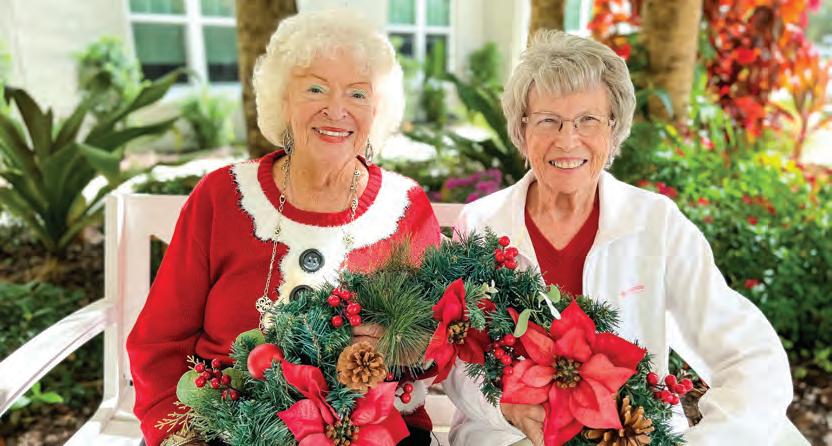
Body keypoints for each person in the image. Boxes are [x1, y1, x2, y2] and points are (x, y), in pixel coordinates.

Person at [443, 30, 796, 446]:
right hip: (510, 439)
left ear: (614, 128)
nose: (567, 139)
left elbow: (751, 357)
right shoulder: (482, 224)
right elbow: (458, 357)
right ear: (522, 128)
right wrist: (505, 407)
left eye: (588, 120)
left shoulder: (657, 223)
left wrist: (706, 441)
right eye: (548, 120)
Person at [126, 10, 440, 446]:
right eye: (315, 88)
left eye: (357, 93)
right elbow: (159, 341)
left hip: (366, 428)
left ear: (377, 110)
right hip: (222, 427)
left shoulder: (404, 207)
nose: (336, 110)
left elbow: (437, 340)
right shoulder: (222, 196)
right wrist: (179, 435)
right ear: (282, 100)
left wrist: (397, 343)